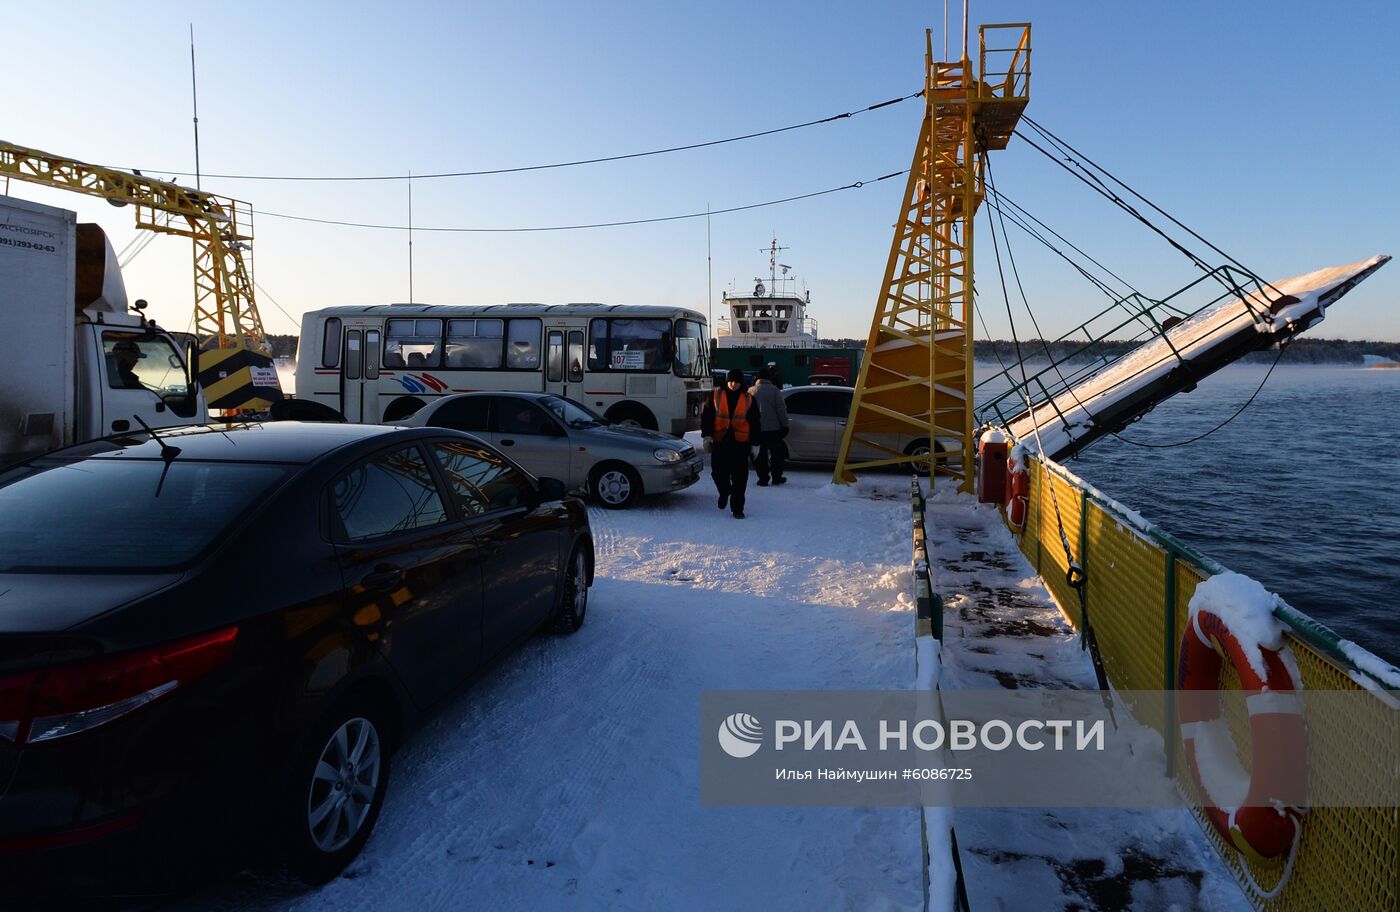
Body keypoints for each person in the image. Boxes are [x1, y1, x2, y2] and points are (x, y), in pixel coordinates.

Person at [701, 368, 761, 518]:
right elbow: (707, 417)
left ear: (742, 383)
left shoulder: (749, 399)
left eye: (737, 382)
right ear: (727, 381)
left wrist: (755, 444)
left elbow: (755, 422)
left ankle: (738, 509)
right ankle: (724, 492)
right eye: (731, 381)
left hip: (741, 444)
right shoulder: (715, 396)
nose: (733, 384)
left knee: (740, 479)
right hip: (720, 442)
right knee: (718, 473)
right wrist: (706, 436)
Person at [748, 366, 789, 486]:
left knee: (760, 455)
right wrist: (785, 425)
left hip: (757, 430)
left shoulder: (750, 391)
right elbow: (781, 410)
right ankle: (777, 477)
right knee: (777, 455)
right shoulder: (775, 390)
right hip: (774, 429)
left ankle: (763, 478)